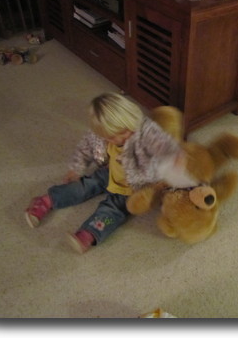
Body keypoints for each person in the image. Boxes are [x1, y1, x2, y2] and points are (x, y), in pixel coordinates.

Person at [25, 92, 196, 254]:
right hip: (109, 173)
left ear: (132, 120)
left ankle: (90, 233)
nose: (119, 139)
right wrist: (75, 168)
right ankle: (47, 200)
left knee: (112, 211)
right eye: (111, 137)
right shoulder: (99, 135)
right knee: (84, 186)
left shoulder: (145, 131)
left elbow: (162, 143)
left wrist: (175, 156)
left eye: (124, 132)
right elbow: (85, 148)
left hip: (133, 187)